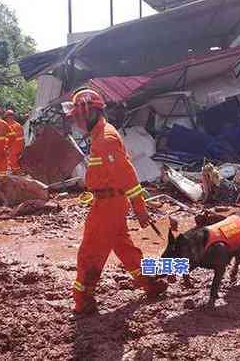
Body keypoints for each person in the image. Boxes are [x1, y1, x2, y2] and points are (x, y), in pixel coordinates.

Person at [65, 88, 167, 315]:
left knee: (90, 252)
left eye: (80, 117)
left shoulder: (106, 138)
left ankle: (83, 299)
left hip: (109, 204)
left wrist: (140, 209)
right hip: (108, 202)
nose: (78, 123)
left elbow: (127, 176)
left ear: (92, 113)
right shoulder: (99, 136)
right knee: (124, 246)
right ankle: (149, 283)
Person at [3, 109, 25, 175]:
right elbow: (22, 137)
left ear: (9, 117)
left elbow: (9, 139)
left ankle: (17, 173)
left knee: (13, 161)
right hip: (20, 146)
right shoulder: (18, 125)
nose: (6, 119)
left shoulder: (11, 127)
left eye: (6, 117)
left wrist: (5, 147)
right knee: (17, 161)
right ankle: (18, 172)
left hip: (14, 147)